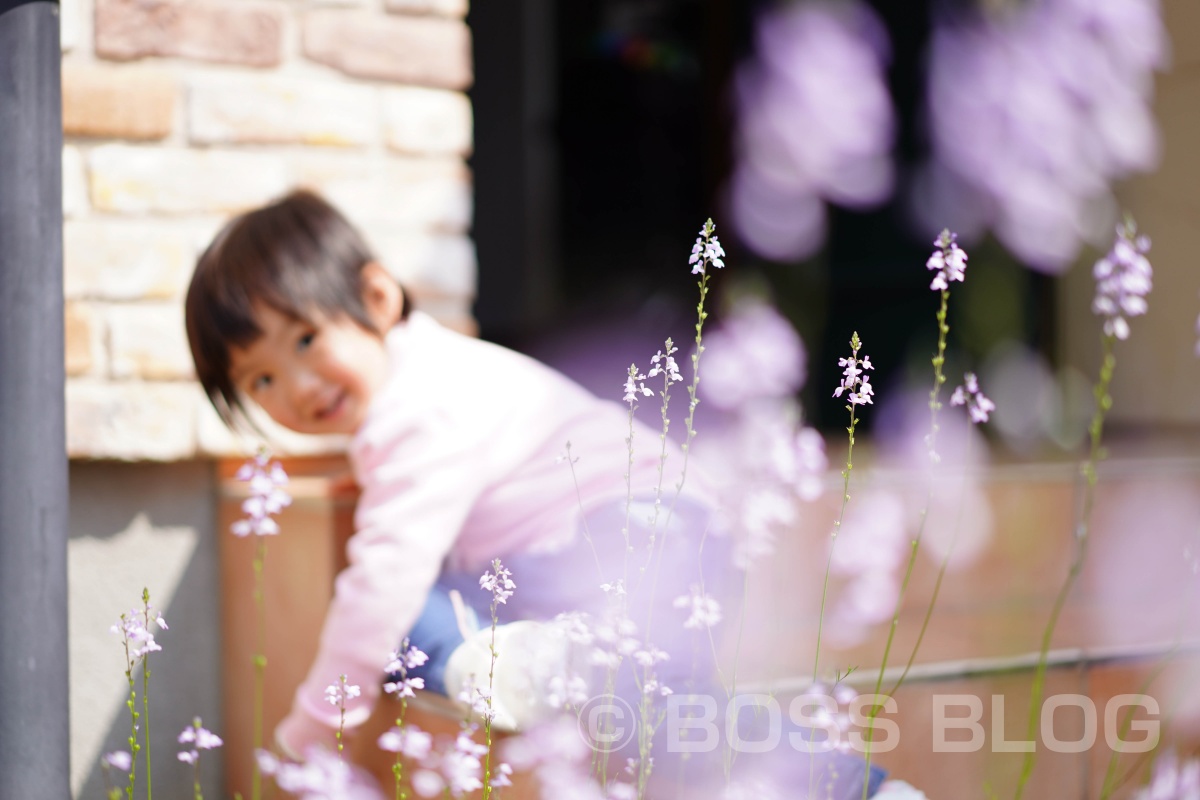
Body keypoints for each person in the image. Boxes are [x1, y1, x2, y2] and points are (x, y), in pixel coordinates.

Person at [185, 189, 885, 798]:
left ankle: (520, 666)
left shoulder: (417, 409)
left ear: (376, 298)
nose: (298, 387)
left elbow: (384, 582)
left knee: (397, 615)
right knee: (663, 717)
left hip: (621, 535)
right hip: (665, 533)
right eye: (261, 380)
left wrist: (314, 724)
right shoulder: (434, 379)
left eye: (305, 341)